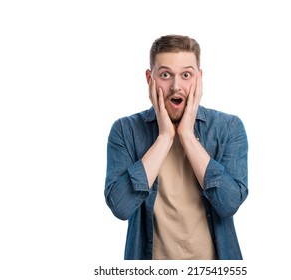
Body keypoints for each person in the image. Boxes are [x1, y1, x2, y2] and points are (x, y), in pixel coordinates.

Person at [104, 34, 248, 260]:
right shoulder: (125, 130)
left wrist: (187, 136)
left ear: (199, 79)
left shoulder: (229, 128)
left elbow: (228, 204)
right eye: (165, 75)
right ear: (149, 78)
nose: (176, 86)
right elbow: (120, 208)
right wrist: (164, 137)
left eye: (186, 75)